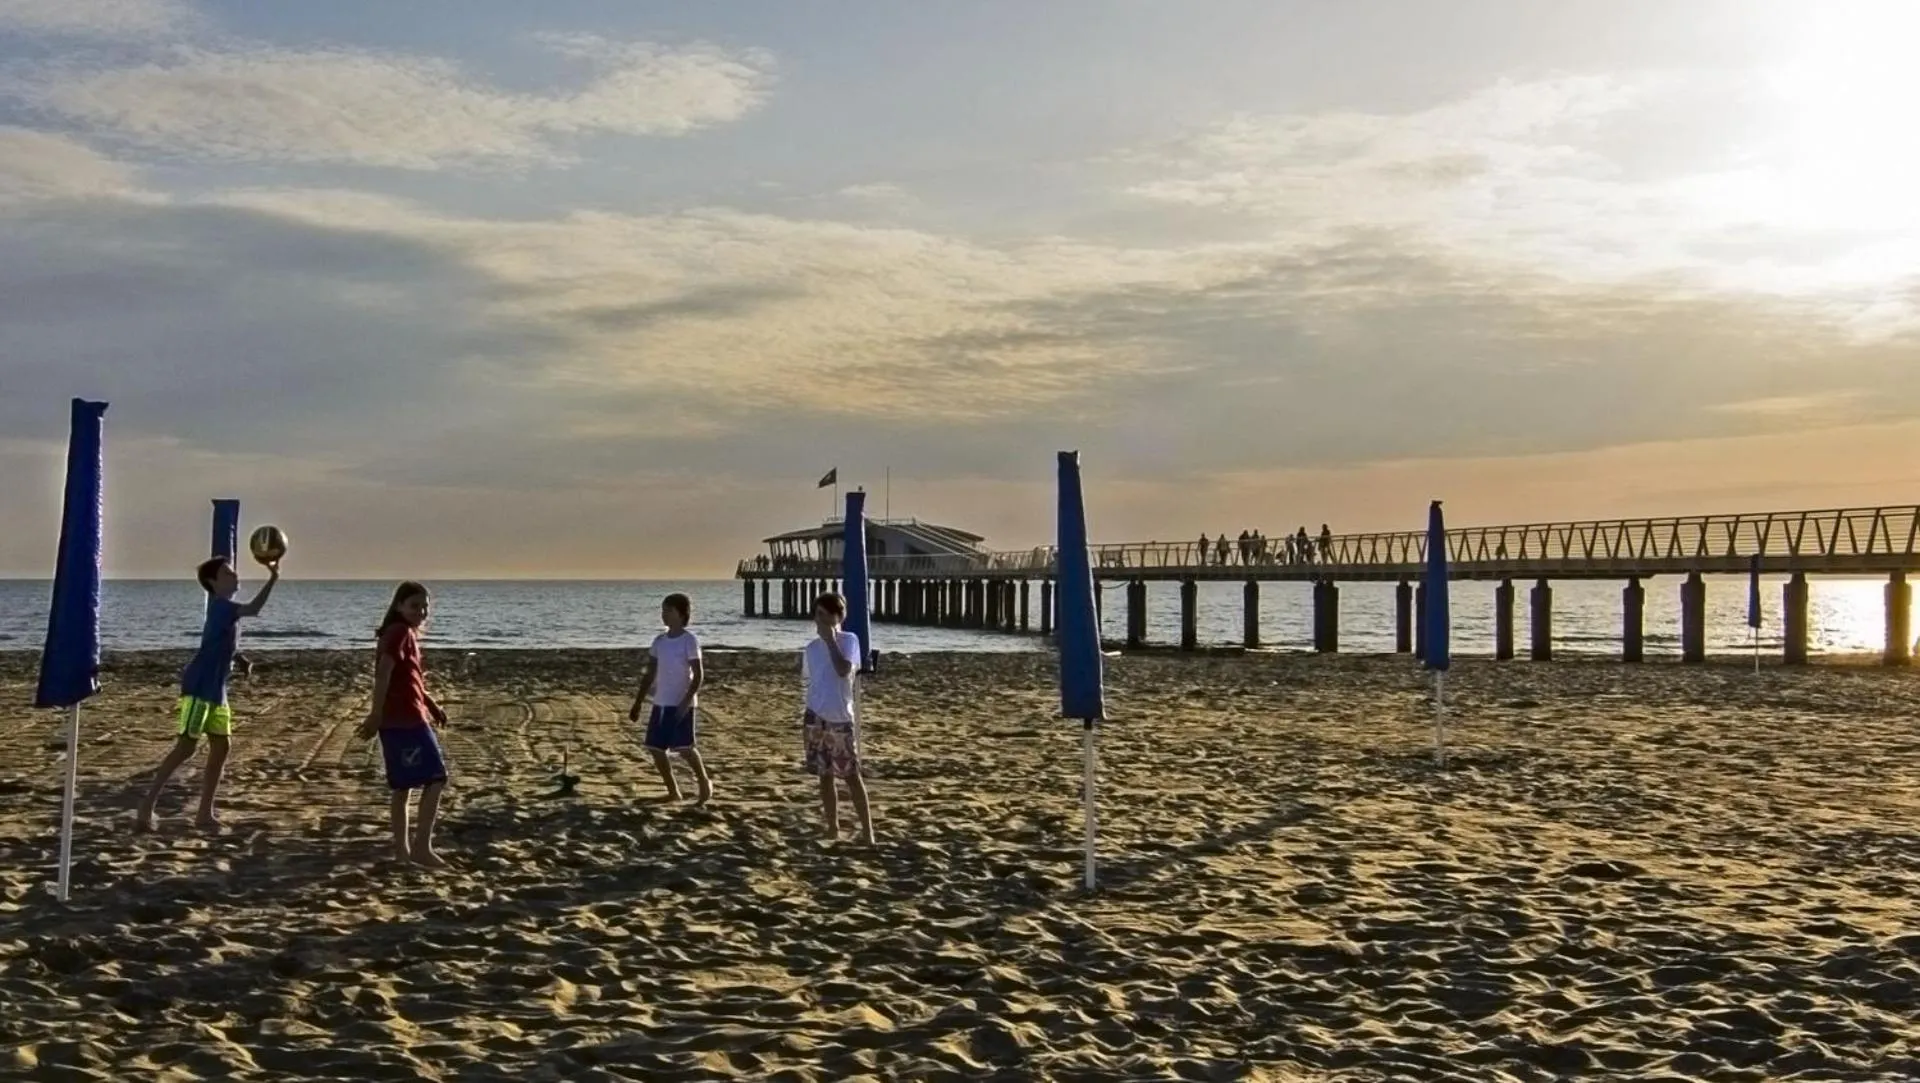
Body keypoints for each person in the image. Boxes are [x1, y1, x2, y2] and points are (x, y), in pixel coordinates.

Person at [135, 555, 280, 832]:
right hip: (199, 687)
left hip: (217, 690)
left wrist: (240, 659)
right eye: (228, 574)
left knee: (221, 747)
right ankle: (147, 804)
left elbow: (218, 642)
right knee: (185, 748)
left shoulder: (225, 611)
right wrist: (273, 578)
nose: (235, 577)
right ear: (213, 582)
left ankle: (204, 813)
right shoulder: (222, 607)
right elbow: (255, 608)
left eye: (234, 572)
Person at [355, 582, 450, 868]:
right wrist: (375, 714)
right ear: (399, 606)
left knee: (404, 786)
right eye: (414, 606)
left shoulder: (404, 633)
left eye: (425, 607)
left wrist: (431, 705)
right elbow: (383, 674)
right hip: (404, 721)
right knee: (436, 778)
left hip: (409, 715)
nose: (421, 612)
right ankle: (421, 847)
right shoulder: (398, 632)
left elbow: (410, 679)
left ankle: (402, 852)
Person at [802, 592, 875, 844]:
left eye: (826, 615)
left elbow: (844, 671)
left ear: (838, 616)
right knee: (824, 776)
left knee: (851, 775)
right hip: (815, 717)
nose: (820, 620)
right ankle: (832, 827)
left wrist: (832, 641)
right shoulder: (811, 648)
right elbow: (811, 682)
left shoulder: (849, 641)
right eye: (817, 615)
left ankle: (867, 831)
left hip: (841, 718)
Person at [628, 592, 713, 804]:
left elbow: (698, 675)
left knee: (685, 748)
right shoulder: (659, 641)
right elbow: (649, 673)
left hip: (681, 703)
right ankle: (673, 791)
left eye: (669, 610)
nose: (664, 614)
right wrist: (638, 702)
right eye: (663, 610)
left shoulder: (689, 640)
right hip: (661, 702)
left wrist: (686, 701)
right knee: (656, 749)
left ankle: (703, 781)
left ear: (681, 614)